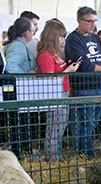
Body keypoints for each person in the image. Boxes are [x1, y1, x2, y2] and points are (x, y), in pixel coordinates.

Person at [65, 6, 101, 158]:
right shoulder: (73, 39)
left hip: (97, 85)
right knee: (86, 121)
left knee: (94, 120)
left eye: (94, 21)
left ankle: (84, 151)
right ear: (79, 20)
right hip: (84, 86)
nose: (92, 24)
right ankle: (85, 154)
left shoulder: (96, 38)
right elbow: (82, 64)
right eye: (89, 21)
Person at [37, 20, 81, 161]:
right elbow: (49, 80)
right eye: (61, 36)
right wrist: (68, 70)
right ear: (53, 36)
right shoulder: (46, 56)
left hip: (63, 92)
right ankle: (52, 158)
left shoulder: (55, 54)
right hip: (54, 95)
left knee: (59, 127)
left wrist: (68, 67)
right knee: (54, 128)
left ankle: (56, 155)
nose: (63, 39)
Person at [4, 17, 37, 157]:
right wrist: (26, 74)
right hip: (18, 89)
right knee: (20, 122)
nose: (34, 31)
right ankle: (20, 151)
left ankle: (24, 150)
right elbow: (10, 66)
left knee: (22, 121)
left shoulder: (19, 44)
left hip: (21, 89)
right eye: (33, 28)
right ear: (27, 32)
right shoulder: (18, 46)